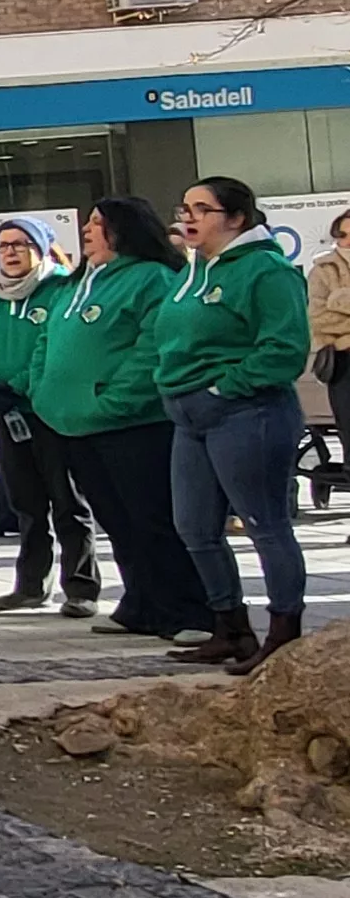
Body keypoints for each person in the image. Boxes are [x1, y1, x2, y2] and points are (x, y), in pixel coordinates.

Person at [29, 197, 212, 644]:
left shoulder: (152, 278)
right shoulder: (75, 283)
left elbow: (153, 347)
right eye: (87, 221)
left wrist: (113, 400)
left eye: (98, 223)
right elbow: (46, 340)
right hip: (74, 425)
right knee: (117, 521)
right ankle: (141, 602)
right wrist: (41, 390)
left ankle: (191, 610)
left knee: (153, 519)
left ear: (125, 229)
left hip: (133, 425)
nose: (88, 230)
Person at [157, 177, 312, 672]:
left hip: (247, 413)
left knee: (265, 524)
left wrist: (224, 388)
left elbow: (284, 349)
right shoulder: (195, 268)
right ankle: (231, 627)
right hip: (189, 416)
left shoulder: (266, 270)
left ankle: (284, 632)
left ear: (237, 219)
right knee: (195, 527)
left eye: (202, 209)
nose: (189, 217)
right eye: (185, 207)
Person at [0, 217, 102, 617]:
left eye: (21, 243)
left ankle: (81, 588)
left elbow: (54, 345)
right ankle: (30, 585)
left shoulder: (60, 289)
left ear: (40, 249)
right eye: (4, 244)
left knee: (68, 501)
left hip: (49, 411)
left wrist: (22, 384)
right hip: (4, 413)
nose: (10, 251)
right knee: (26, 502)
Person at [310, 208, 350, 442]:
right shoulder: (323, 270)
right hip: (344, 362)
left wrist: (339, 300)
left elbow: (333, 310)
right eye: (342, 235)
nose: (345, 242)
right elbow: (320, 320)